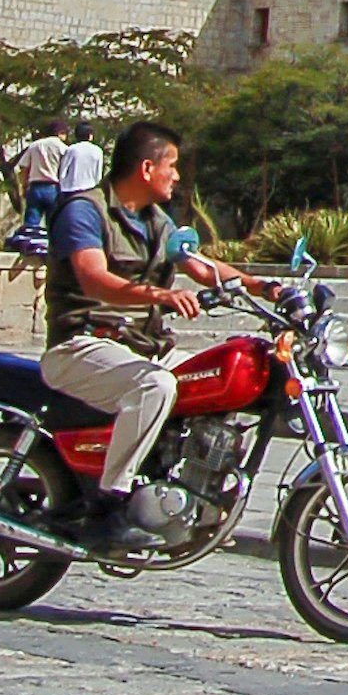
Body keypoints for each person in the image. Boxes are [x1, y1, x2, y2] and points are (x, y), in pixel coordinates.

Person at [44, 120, 246, 554]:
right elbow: (93, 279)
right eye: (171, 165)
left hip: (141, 348)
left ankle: (194, 491)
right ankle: (107, 506)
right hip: (81, 344)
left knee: (213, 375)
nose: (177, 175)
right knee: (156, 384)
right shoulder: (85, 210)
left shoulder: (157, 222)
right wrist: (160, 295)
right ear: (147, 167)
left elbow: (200, 266)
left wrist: (264, 288)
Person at [8, 116, 70, 252]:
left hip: (35, 187)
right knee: (53, 223)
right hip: (53, 187)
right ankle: (51, 251)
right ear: (61, 133)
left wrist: (24, 186)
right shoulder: (64, 148)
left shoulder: (35, 146)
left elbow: (24, 168)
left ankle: (28, 249)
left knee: (31, 222)